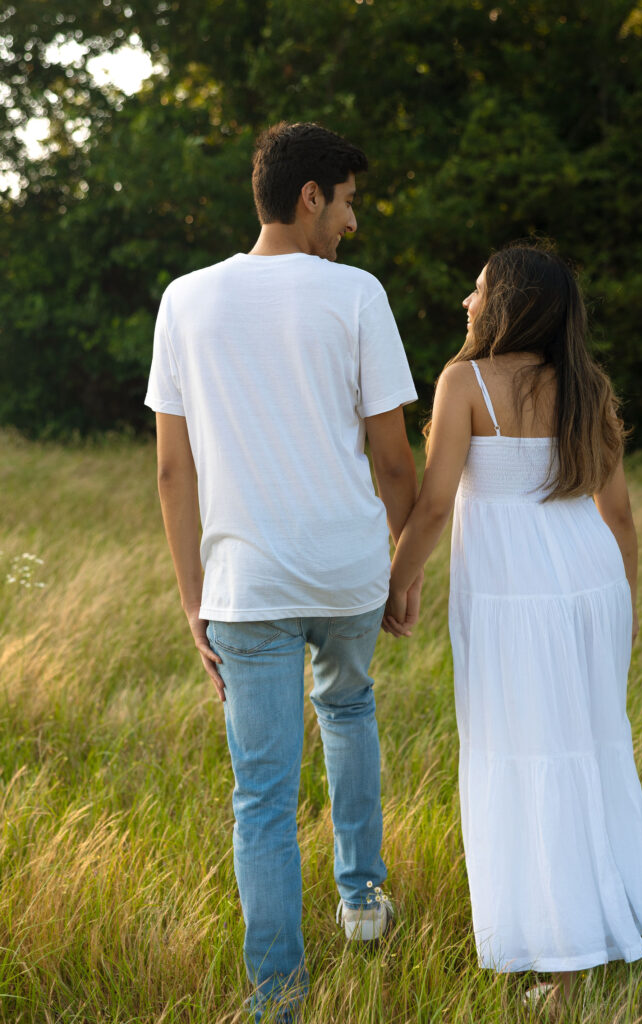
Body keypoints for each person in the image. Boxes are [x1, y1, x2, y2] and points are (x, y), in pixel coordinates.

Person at [145, 121, 420, 1023]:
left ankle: (278, 1002)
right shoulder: (355, 297)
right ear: (311, 196)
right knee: (346, 708)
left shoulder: (184, 299)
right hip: (347, 575)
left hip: (245, 588)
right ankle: (362, 903)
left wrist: (195, 599)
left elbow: (171, 471)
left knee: (260, 795)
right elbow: (392, 457)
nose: (351, 223)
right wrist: (399, 563)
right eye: (346, 202)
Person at [383, 242, 642, 1012]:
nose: (466, 300)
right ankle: (581, 924)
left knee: (528, 759)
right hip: (591, 587)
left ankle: (562, 969)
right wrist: (621, 611)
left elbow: (432, 505)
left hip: (514, 598)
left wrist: (395, 584)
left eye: (479, 288)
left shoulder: (465, 381)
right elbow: (619, 516)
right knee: (579, 752)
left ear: (508, 303)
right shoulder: (587, 385)